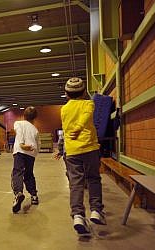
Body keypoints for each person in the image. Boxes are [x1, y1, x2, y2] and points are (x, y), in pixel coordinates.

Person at [61, 77, 106, 237]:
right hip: (89, 148)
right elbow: (86, 115)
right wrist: (80, 128)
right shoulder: (89, 103)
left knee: (76, 184)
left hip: (72, 151)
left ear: (66, 93)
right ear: (83, 91)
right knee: (93, 178)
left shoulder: (64, 109)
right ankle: (96, 210)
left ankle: (78, 216)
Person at [11, 106, 40, 213]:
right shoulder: (35, 129)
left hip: (20, 152)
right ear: (34, 118)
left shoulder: (18, 123)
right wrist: (34, 153)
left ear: (24, 116)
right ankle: (34, 196)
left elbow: (19, 133)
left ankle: (18, 193)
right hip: (31, 154)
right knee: (29, 174)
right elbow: (38, 144)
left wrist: (22, 144)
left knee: (17, 172)